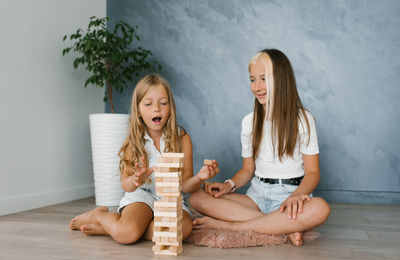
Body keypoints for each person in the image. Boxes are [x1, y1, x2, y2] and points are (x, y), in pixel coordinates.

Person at [189, 49, 330, 247]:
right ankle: (279, 224)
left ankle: (232, 227)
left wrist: (297, 195)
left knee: (321, 208)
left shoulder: (303, 119)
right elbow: (248, 170)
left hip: (290, 193)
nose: (257, 87)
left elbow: (313, 173)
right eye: (253, 80)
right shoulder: (249, 122)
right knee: (197, 198)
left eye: (264, 79)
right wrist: (228, 185)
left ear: (281, 80)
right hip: (257, 195)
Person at [69, 74, 219, 244]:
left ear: (170, 107)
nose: (156, 109)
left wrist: (199, 178)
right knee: (126, 235)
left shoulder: (182, 138)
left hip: (172, 200)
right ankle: (101, 216)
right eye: (148, 104)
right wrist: (134, 180)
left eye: (163, 103)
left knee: (181, 230)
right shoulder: (134, 142)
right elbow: (125, 184)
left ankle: (112, 228)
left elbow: (185, 185)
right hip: (141, 197)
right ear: (138, 110)